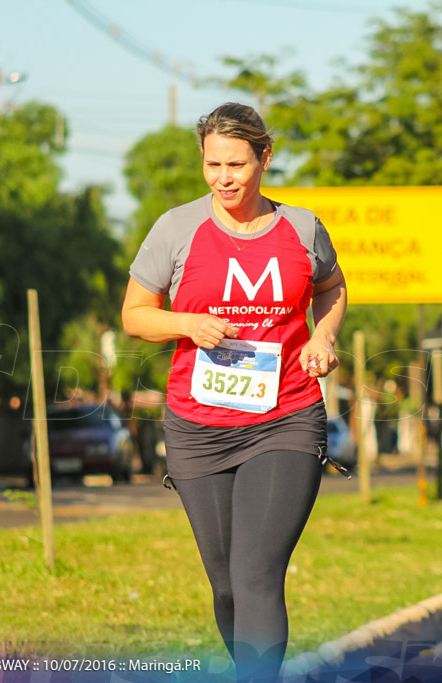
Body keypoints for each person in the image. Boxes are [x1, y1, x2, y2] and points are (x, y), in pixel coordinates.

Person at [121, 102, 347, 682]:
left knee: (255, 573)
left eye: (237, 164)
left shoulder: (301, 227)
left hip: (285, 417)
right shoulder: (176, 229)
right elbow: (135, 315)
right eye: (212, 164)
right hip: (197, 426)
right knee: (224, 585)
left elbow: (331, 287)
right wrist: (187, 324)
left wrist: (323, 335)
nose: (223, 178)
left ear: (264, 159)